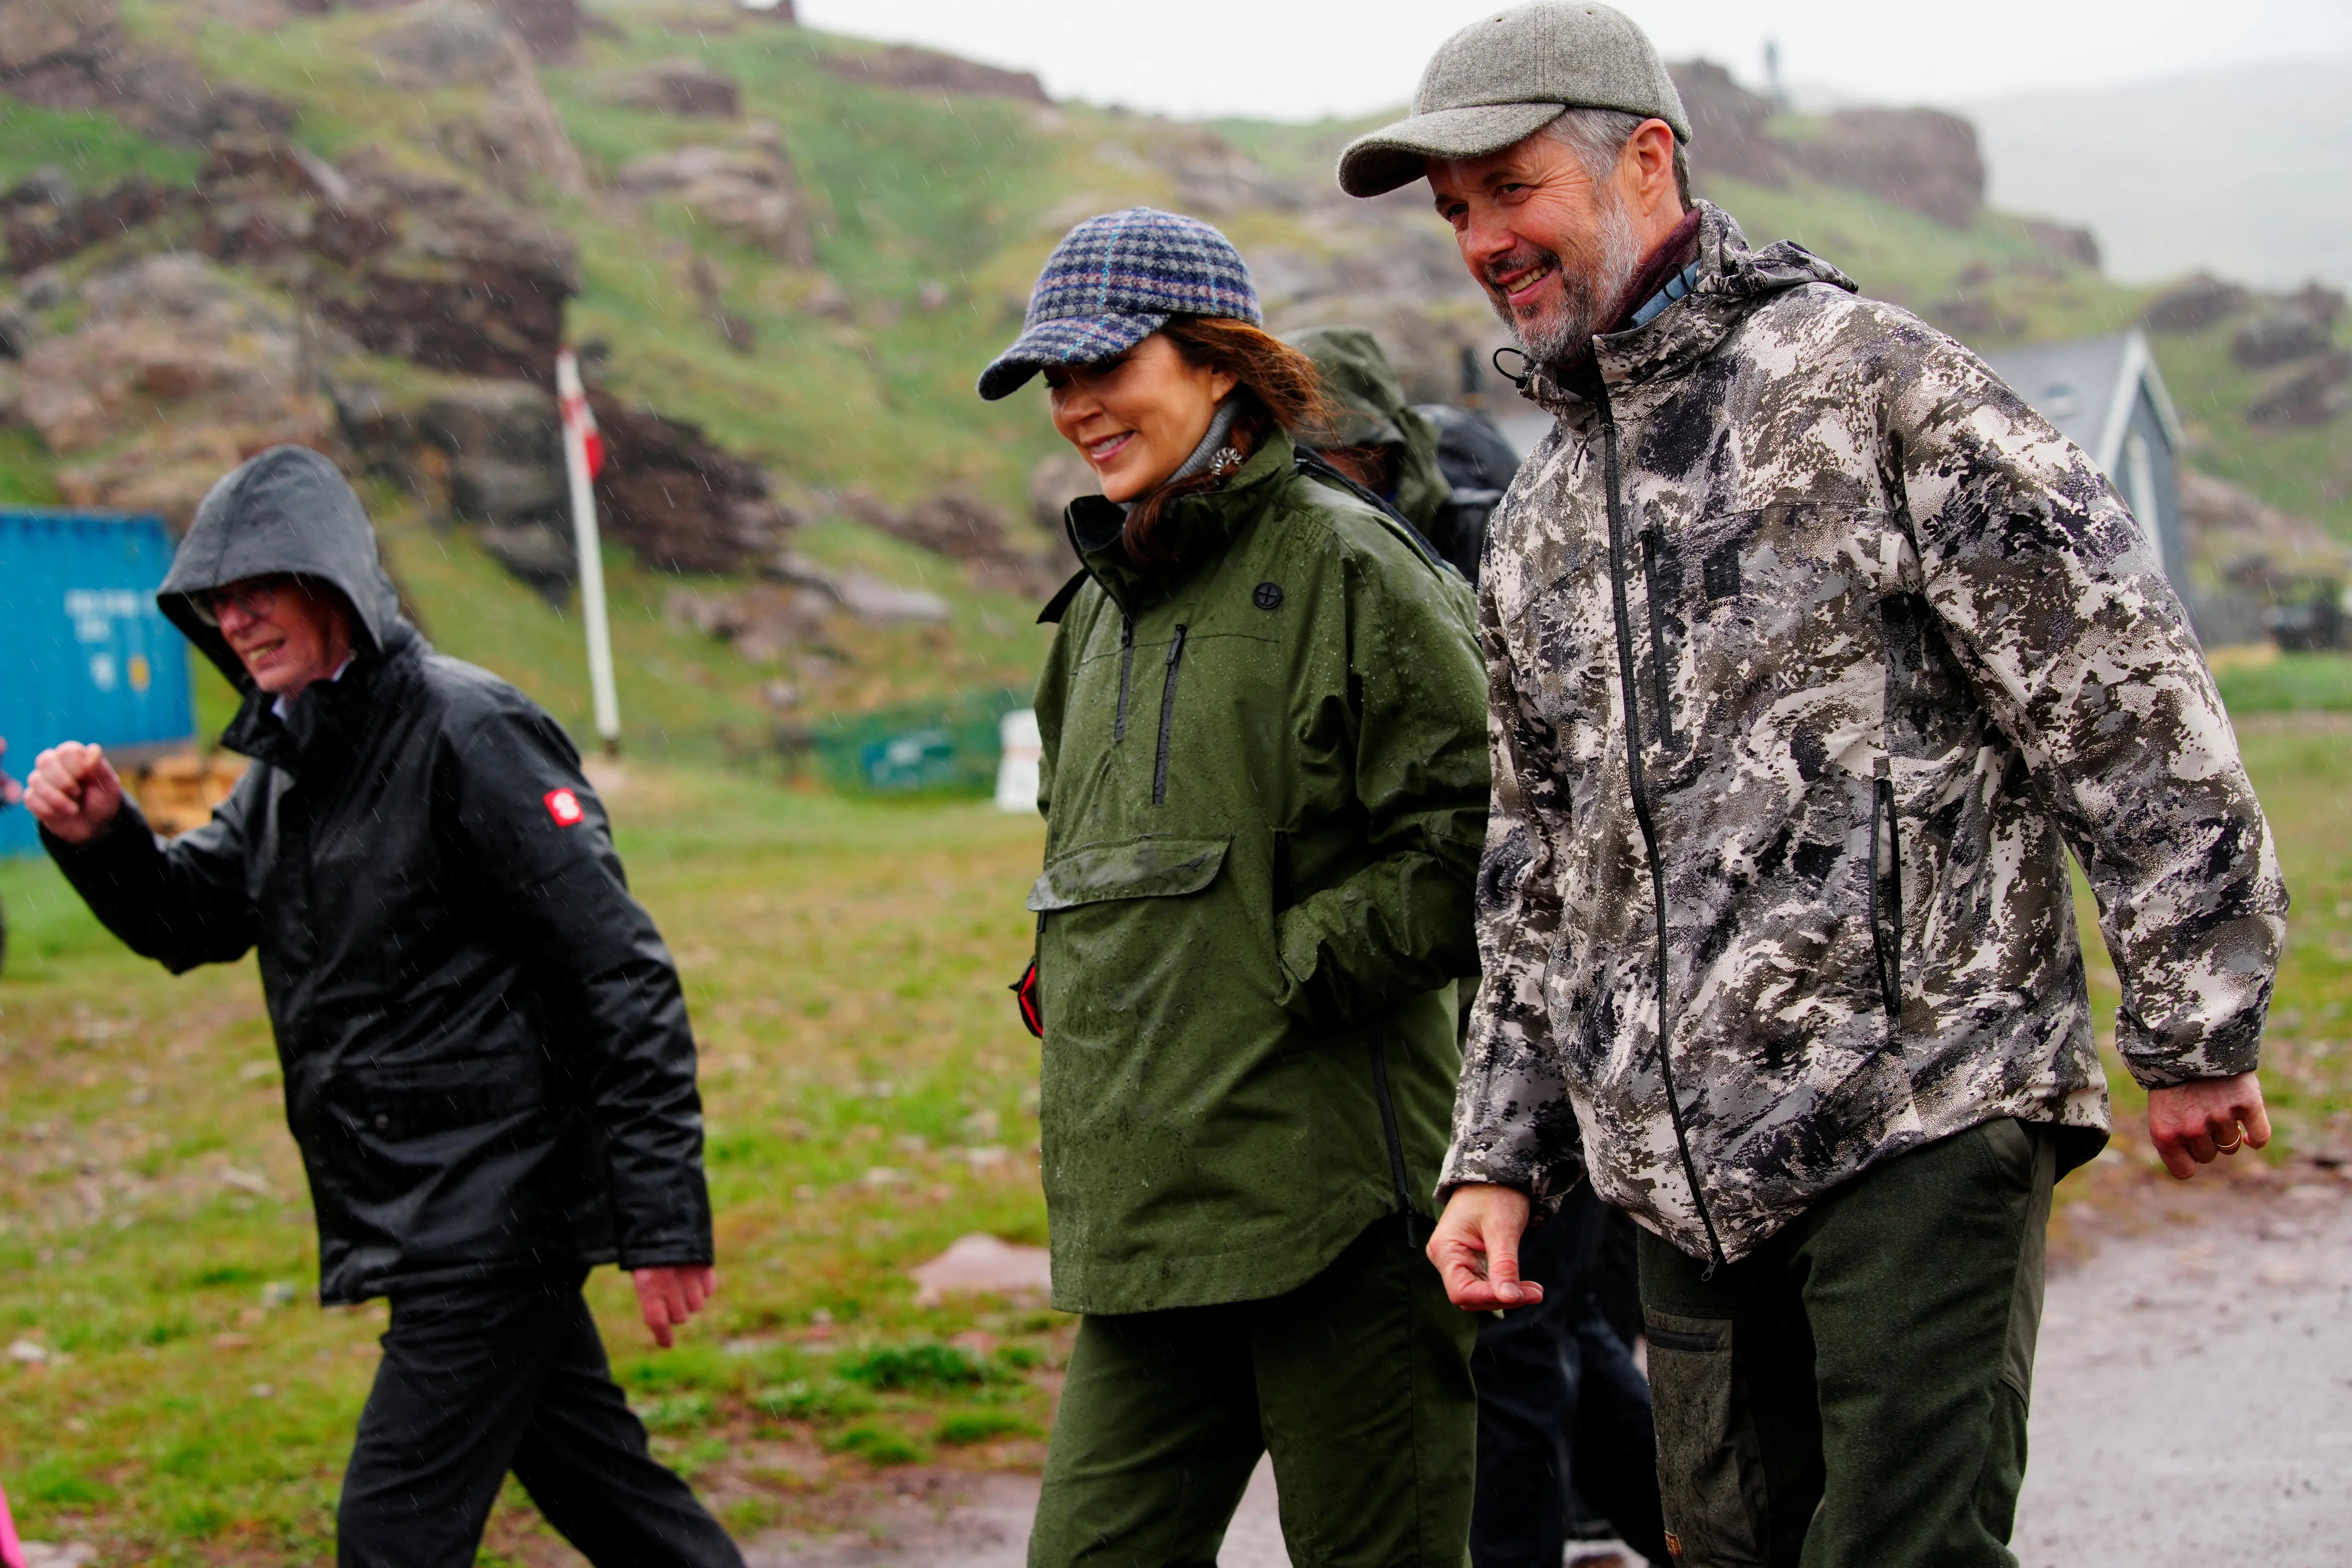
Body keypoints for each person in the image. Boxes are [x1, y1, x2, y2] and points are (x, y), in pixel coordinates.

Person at [1338, 5, 2289, 1565]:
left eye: (1510, 189)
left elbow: (2121, 698)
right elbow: (1535, 865)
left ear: (1643, 157)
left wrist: (2195, 1021)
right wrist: (1500, 1157)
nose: (1484, 241)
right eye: (1456, 213)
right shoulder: (1542, 513)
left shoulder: (1881, 391)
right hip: (1677, 1175)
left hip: (1922, 1108)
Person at [24, 446, 742, 1568]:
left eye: (262, 587)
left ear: (335, 582)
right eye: (217, 600)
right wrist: (98, 837)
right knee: (603, 1492)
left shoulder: (467, 729)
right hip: (430, 1211)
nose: (239, 617)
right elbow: (190, 921)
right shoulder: (289, 767)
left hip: (495, 1213)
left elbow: (619, 969)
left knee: (392, 1534)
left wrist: (664, 1218)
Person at [979, 208, 1491, 1567]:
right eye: (1055, 380)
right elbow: (1077, 868)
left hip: (1340, 1219)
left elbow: (1477, 838)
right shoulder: (1087, 616)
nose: (1078, 405)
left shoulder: (1356, 568)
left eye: (1107, 365)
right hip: (1147, 1225)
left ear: (1218, 361)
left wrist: (1278, 967)